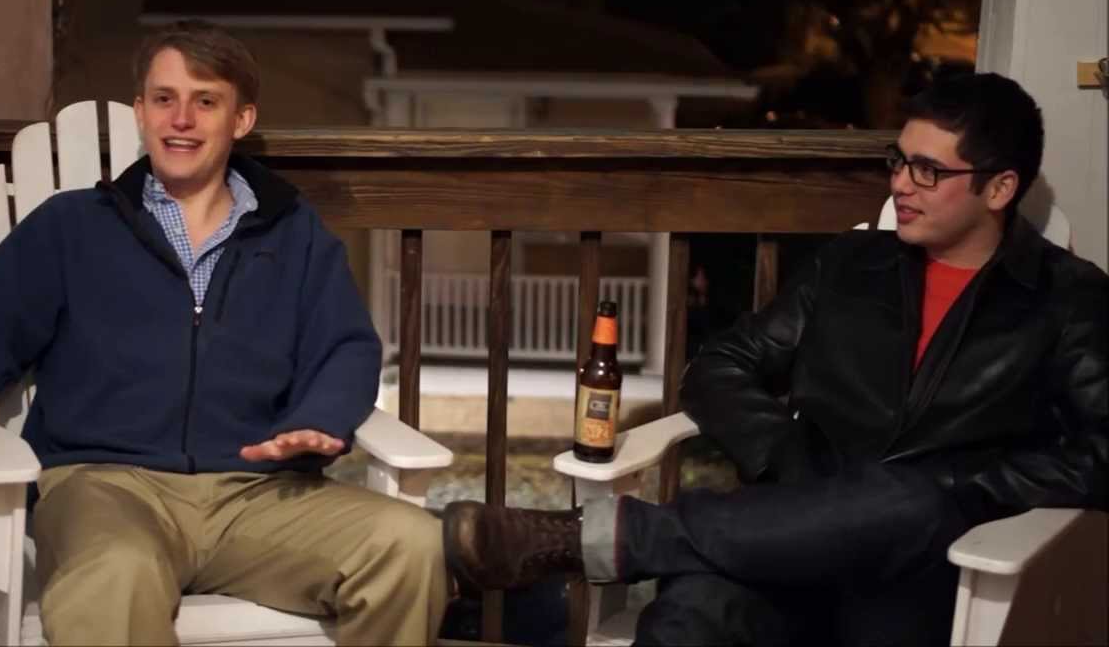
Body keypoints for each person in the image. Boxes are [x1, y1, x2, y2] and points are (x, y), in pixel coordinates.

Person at [443, 72, 1107, 645]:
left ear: (999, 189)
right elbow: (721, 365)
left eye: (928, 171)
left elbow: (1101, 454)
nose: (902, 184)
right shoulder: (851, 265)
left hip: (933, 572)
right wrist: (786, 457)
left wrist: (958, 493)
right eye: (898, 161)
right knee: (692, 610)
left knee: (907, 497)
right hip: (791, 538)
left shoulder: (1069, 300)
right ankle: (614, 540)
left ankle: (599, 539)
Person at [0, 20, 447, 646]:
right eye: (165, 99)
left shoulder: (293, 234)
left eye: (206, 101)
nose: (181, 119)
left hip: (259, 492)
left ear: (241, 119)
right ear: (141, 112)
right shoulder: (72, 227)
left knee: (410, 545)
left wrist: (317, 420)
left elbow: (345, 346)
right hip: (106, 489)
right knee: (114, 574)